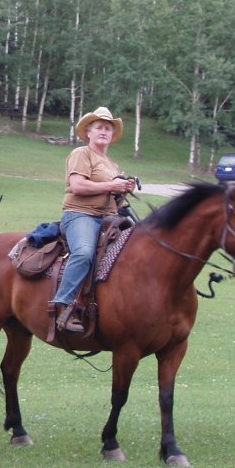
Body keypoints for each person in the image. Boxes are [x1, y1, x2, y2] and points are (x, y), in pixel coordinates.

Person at [50, 107, 137, 334]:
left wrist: (124, 189)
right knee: (84, 252)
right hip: (80, 214)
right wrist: (112, 185)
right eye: (99, 127)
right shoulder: (81, 154)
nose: (104, 131)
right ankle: (63, 305)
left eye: (108, 128)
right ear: (88, 132)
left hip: (109, 217)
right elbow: (77, 186)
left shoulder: (112, 164)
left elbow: (112, 196)